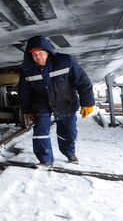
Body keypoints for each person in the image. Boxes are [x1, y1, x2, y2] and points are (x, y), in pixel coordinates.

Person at [18, 36, 95, 167]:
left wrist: (87, 103)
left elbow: (83, 82)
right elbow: (24, 92)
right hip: (41, 103)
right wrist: (27, 110)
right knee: (40, 131)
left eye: (41, 53)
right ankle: (45, 160)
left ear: (48, 52)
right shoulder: (27, 69)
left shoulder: (66, 61)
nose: (38, 57)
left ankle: (69, 152)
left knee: (68, 131)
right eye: (34, 54)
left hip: (65, 101)